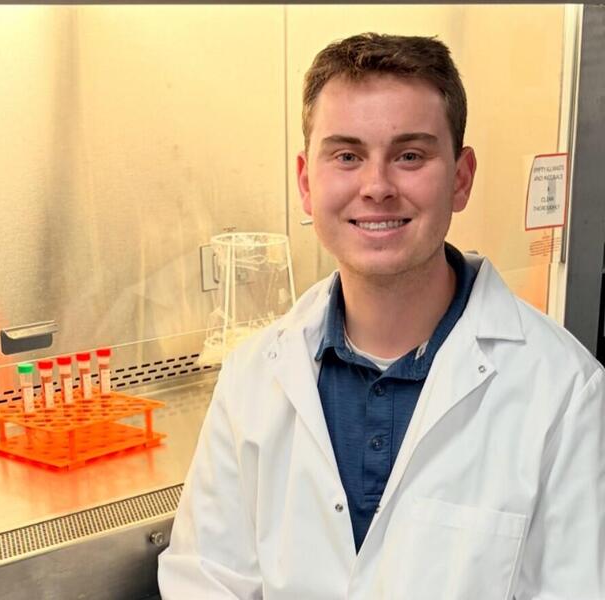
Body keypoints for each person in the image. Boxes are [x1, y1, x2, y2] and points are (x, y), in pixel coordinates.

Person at [157, 33, 605, 599]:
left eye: (410, 155)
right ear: (306, 182)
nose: (376, 187)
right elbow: (206, 580)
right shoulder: (253, 378)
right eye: (347, 155)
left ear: (461, 178)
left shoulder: (563, 389)